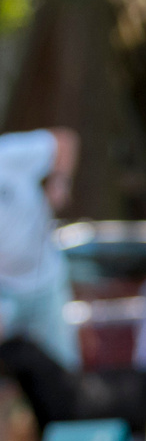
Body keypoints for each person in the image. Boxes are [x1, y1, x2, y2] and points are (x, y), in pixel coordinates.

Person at [0, 127, 79, 371]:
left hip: (45, 284)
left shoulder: (8, 153)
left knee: (62, 372)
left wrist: (59, 182)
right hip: (3, 293)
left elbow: (65, 141)